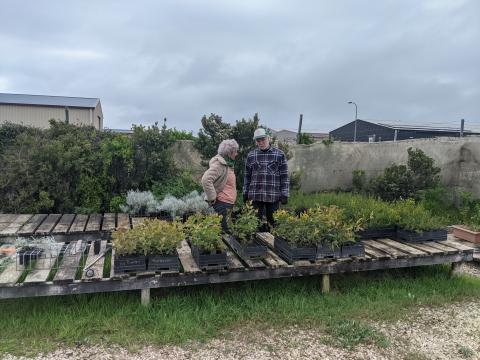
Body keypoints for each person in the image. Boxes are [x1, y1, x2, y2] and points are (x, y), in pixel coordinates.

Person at [243, 128, 289, 230]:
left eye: (263, 139)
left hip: (273, 195)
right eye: (258, 140)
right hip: (255, 195)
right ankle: (256, 244)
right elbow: (247, 176)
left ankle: (275, 244)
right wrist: (245, 192)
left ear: (268, 138)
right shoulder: (251, 155)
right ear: (256, 141)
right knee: (254, 223)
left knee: (274, 223)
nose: (261, 142)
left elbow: (284, 176)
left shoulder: (279, 154)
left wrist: (284, 193)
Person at [201, 139, 239, 232]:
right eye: (235, 152)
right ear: (229, 153)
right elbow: (206, 180)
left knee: (225, 232)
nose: (236, 154)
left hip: (227, 204)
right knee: (224, 234)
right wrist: (212, 197)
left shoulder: (228, 164)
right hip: (222, 204)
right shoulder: (220, 164)